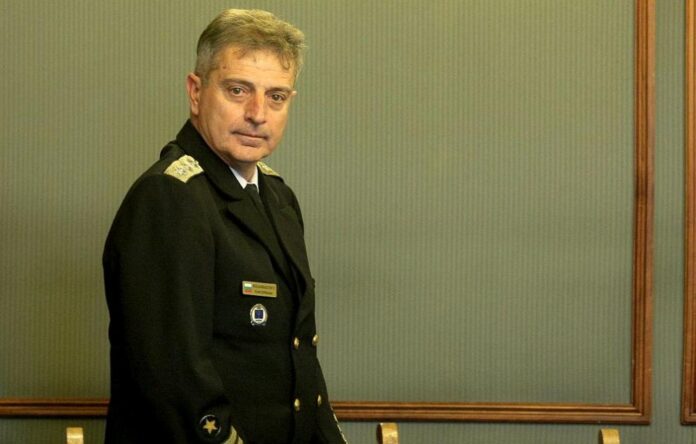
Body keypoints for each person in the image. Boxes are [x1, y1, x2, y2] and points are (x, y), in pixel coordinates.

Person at [102, 9, 346, 444]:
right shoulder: (170, 198)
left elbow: (299, 358)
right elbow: (175, 380)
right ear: (196, 92)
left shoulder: (277, 198)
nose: (258, 114)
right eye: (238, 90)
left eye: (276, 97)